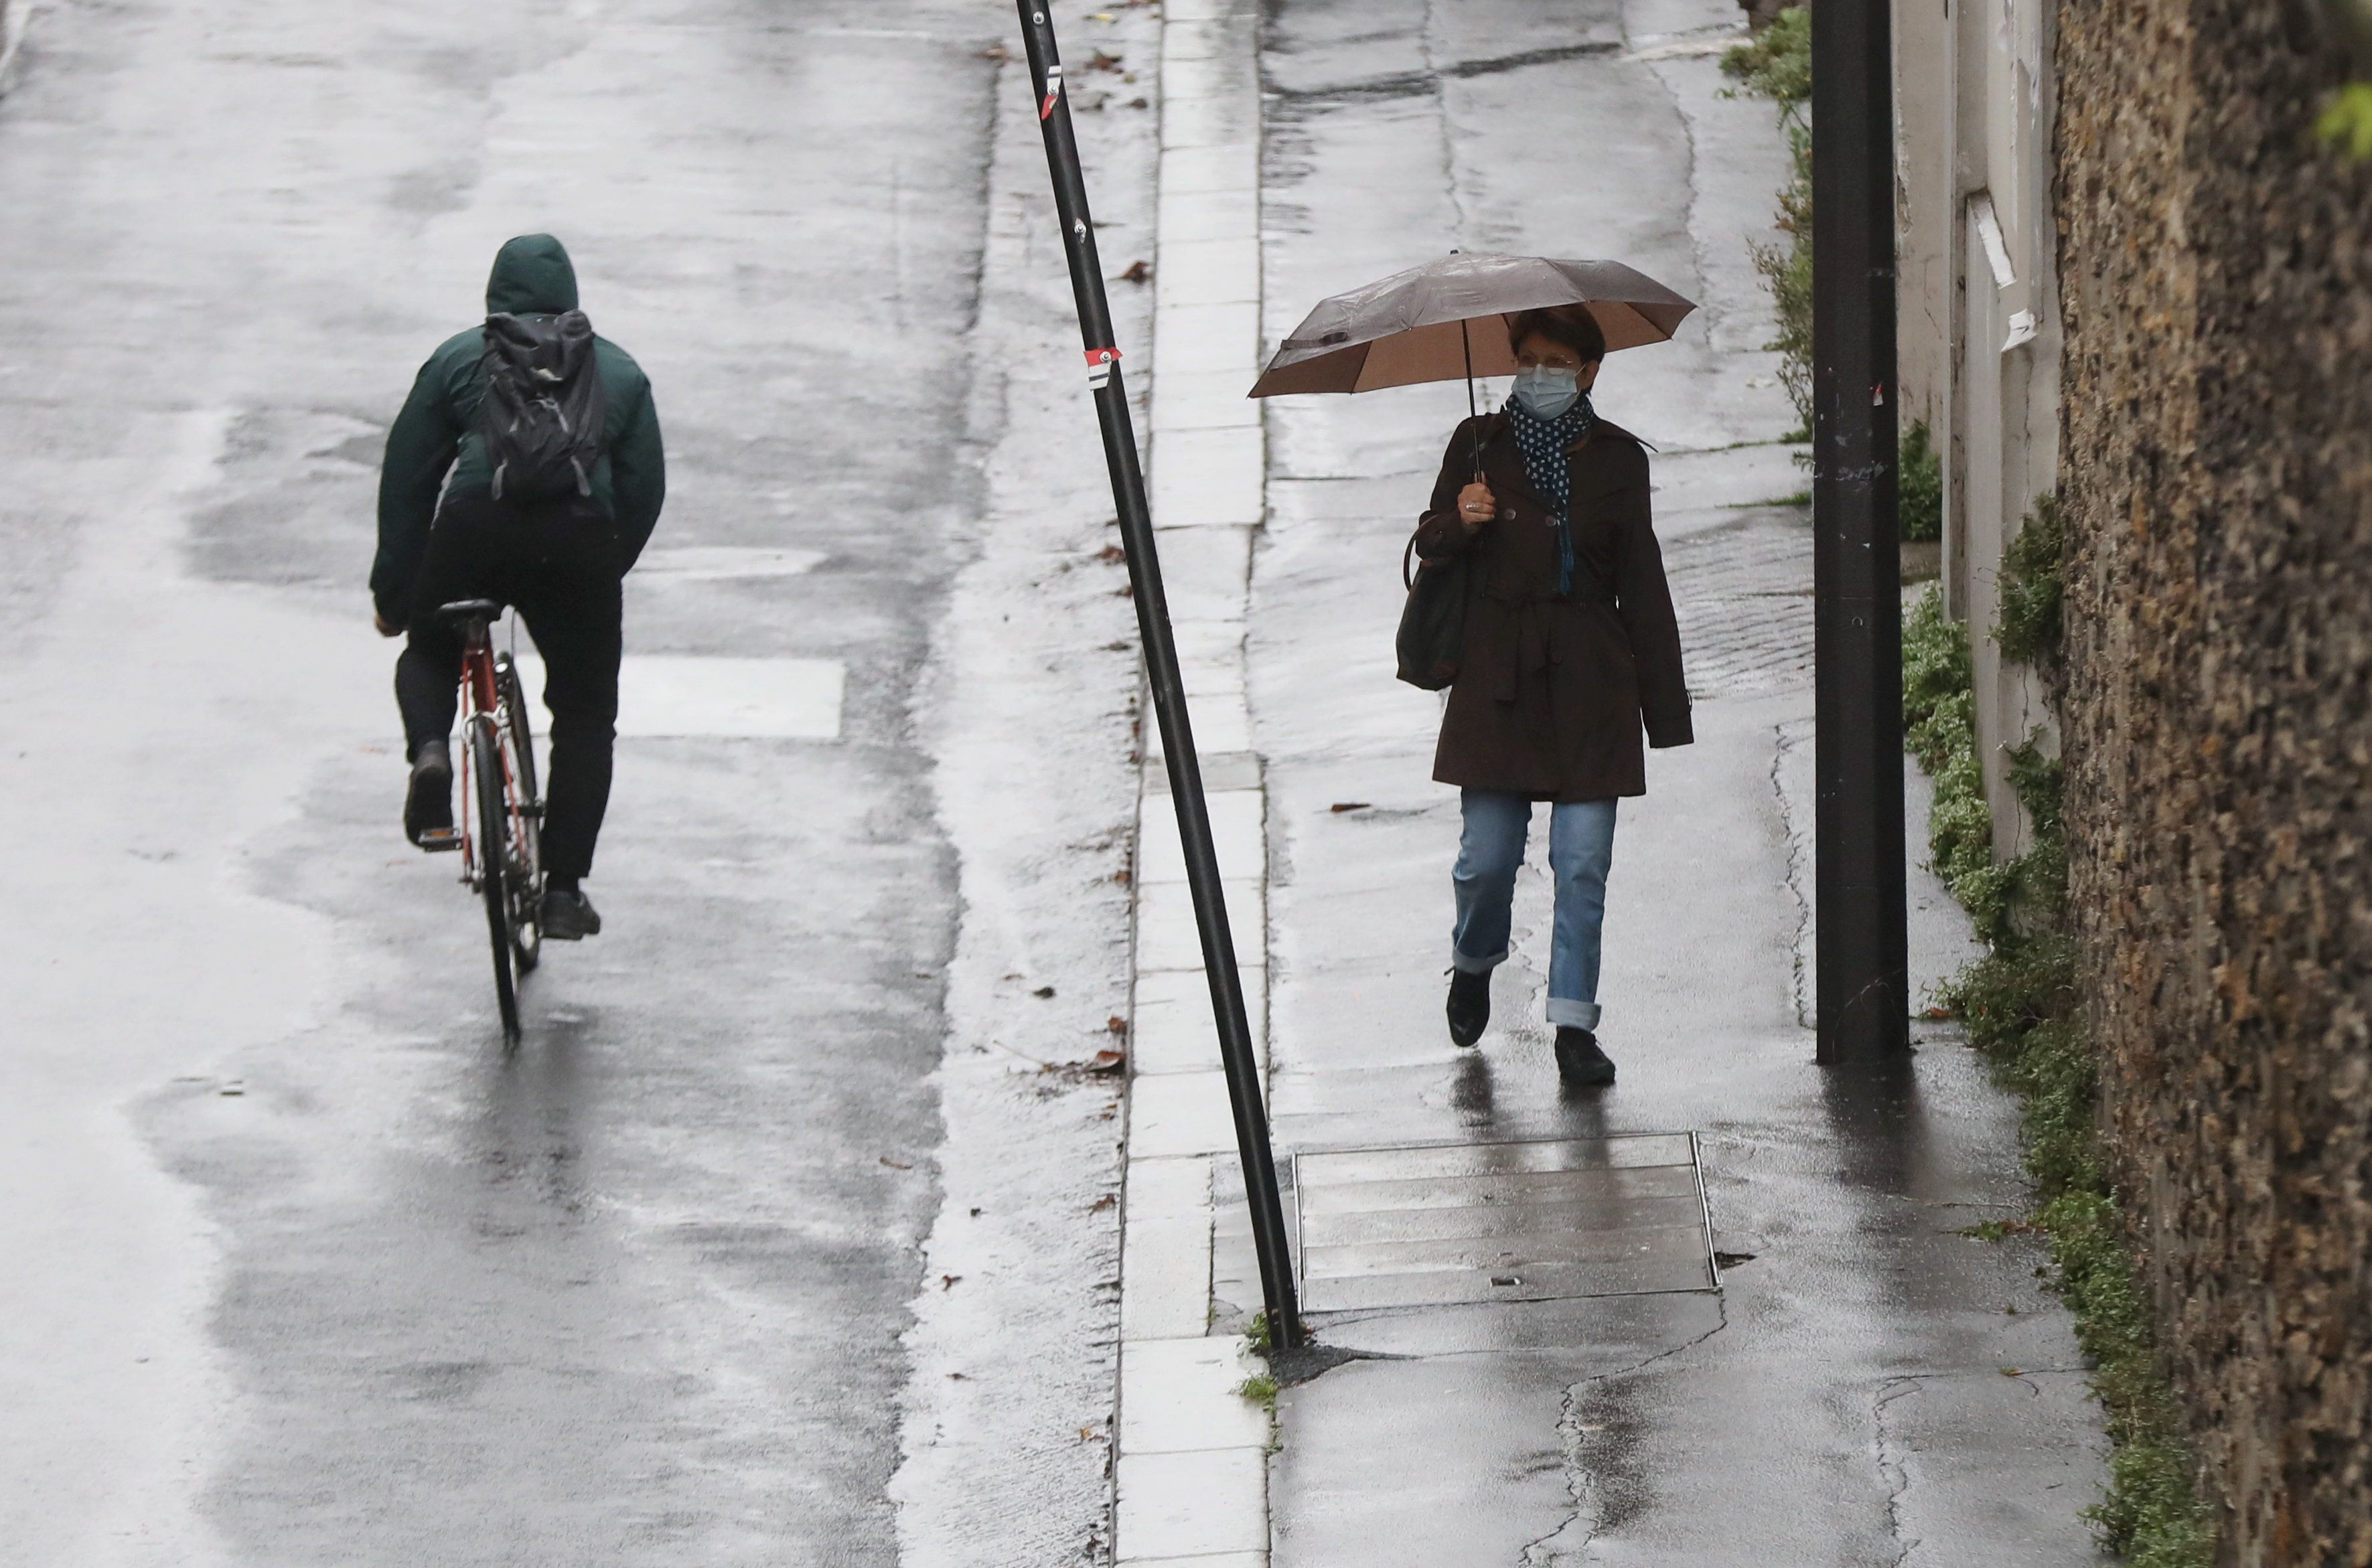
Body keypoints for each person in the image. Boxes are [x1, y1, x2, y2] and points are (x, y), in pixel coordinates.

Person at [1408, 305, 1692, 1085]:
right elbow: (1429, 542)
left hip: (1591, 682)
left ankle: (1573, 1026)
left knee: (1581, 862)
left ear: (1589, 371)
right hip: (1496, 676)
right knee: (1485, 858)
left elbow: (1642, 584)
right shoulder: (1476, 446)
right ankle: (1472, 964)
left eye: (1555, 361)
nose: (1537, 373)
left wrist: (1663, 711)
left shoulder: (1617, 459)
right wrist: (1459, 522)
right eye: (1526, 358)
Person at [370, 234, 665, 941]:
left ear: (494, 296)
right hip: (578, 541)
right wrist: (601, 571)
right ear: (570, 295)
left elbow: (407, 479)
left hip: (476, 528)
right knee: (585, 715)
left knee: (433, 652)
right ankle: (561, 889)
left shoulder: (458, 359)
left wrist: (396, 591)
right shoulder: (618, 370)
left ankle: (434, 755)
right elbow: (644, 489)